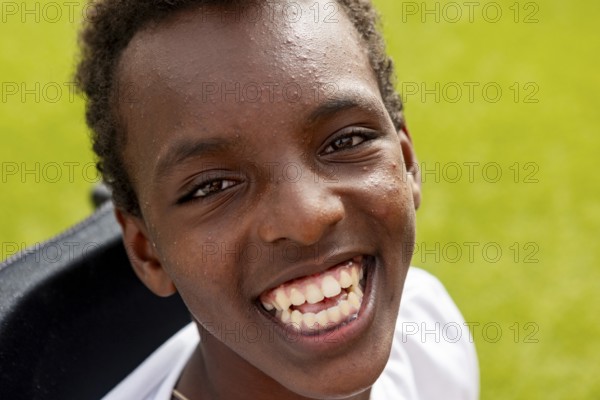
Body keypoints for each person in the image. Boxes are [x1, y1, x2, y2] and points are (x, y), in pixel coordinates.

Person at [75, 0, 479, 399]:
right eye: (213, 186)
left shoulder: (428, 336)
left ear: (407, 162)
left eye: (346, 141)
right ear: (148, 251)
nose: (306, 218)